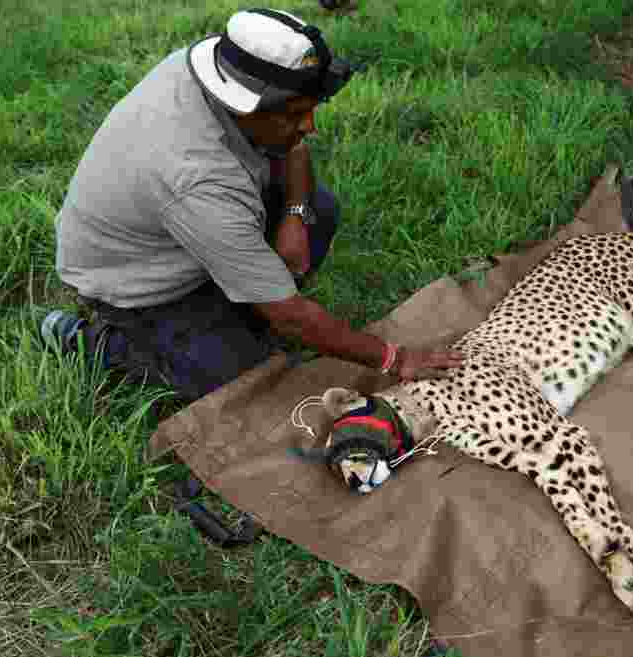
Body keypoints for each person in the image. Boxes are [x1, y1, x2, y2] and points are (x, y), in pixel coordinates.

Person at [43, 8, 464, 402]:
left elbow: (293, 145)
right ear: (244, 107)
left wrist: (294, 216)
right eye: (296, 113)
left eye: (312, 108)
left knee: (319, 209)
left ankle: (241, 306)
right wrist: (396, 359)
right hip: (137, 283)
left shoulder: (226, 71)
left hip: (194, 232)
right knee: (250, 382)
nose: (310, 125)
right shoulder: (194, 175)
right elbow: (289, 317)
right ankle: (102, 342)